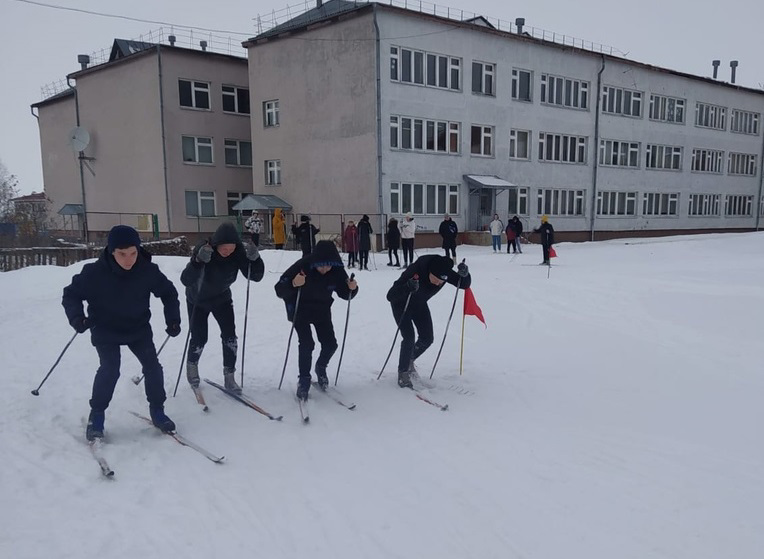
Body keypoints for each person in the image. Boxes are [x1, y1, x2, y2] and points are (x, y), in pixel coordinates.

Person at [62, 225, 181, 441]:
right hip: (105, 328)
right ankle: (96, 415)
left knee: (153, 367)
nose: (129, 259)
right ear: (111, 251)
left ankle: (157, 410)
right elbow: (71, 295)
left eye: (133, 253)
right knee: (110, 368)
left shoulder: (147, 270)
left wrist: (173, 319)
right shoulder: (94, 273)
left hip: (137, 328)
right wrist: (77, 318)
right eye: (122, 254)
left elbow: (169, 293)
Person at [180, 222, 265, 394]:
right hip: (198, 299)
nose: (228, 252)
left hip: (221, 298)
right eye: (224, 248)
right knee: (199, 337)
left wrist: (256, 260)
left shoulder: (238, 253)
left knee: (230, 337)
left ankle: (229, 375)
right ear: (216, 244)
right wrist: (197, 261)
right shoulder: (205, 250)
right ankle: (192, 367)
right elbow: (185, 280)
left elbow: (255, 277)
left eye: (231, 248)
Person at [274, 240, 359, 401]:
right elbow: (279, 288)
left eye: (328, 266)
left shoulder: (337, 269)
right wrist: (293, 283)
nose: (325, 269)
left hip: (322, 309)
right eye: (321, 265)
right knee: (307, 343)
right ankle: (304, 379)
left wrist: (352, 288)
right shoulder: (303, 265)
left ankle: (321, 367)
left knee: (330, 344)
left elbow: (344, 293)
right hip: (300, 309)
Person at [386, 255, 471, 388]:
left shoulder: (444, 271)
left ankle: (409, 360)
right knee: (409, 337)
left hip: (419, 304)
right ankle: (403, 373)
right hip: (401, 303)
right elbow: (390, 295)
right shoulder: (415, 270)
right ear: (430, 272)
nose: (439, 284)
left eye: (442, 282)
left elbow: (464, 284)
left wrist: (465, 274)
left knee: (427, 338)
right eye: (436, 280)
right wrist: (408, 287)